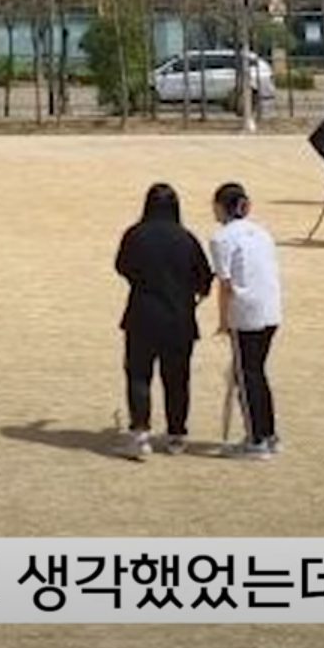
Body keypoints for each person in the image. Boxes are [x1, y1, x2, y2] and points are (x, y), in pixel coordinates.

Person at [113, 183, 214, 460]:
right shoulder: (186, 238)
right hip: (179, 318)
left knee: (139, 375)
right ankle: (176, 435)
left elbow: (122, 267)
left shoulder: (135, 234)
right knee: (177, 378)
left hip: (142, 314)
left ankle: (140, 434)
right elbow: (204, 279)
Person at [208, 183, 284, 460]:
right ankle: (269, 433)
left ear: (221, 207)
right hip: (270, 308)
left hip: (246, 312)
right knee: (256, 372)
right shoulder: (261, 232)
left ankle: (256, 440)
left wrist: (223, 320)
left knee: (246, 377)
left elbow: (225, 284)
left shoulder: (221, 238)